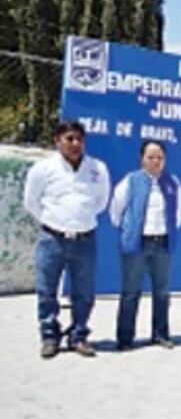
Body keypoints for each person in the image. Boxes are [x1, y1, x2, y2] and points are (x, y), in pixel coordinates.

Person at [23, 121, 110, 359]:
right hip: (52, 239)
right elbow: (31, 202)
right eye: (69, 138)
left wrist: (80, 220)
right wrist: (54, 221)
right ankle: (50, 337)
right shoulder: (43, 169)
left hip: (85, 239)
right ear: (57, 140)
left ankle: (79, 336)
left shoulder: (97, 169)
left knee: (84, 292)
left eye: (79, 139)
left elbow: (101, 202)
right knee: (47, 290)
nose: (75, 144)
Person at [108, 140, 181, 350]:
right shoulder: (130, 181)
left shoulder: (173, 182)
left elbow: (178, 214)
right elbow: (116, 210)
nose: (156, 162)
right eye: (151, 157)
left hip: (162, 244)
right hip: (137, 245)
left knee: (162, 292)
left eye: (160, 157)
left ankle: (160, 334)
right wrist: (129, 232)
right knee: (130, 292)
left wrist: (166, 232)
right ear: (142, 159)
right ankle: (125, 338)